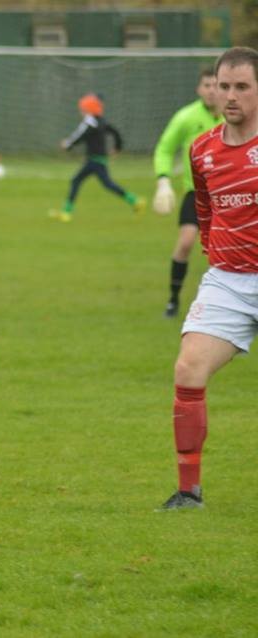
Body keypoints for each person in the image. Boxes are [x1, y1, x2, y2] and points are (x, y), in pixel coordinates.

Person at [160, 46, 258, 510]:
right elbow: (204, 208)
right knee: (188, 369)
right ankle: (188, 492)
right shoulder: (202, 149)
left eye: (242, 87)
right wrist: (215, 253)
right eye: (224, 86)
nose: (231, 96)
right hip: (228, 280)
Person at [152, 70, 223, 318]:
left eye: (216, 85)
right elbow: (164, 148)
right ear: (198, 89)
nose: (212, 90)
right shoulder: (186, 117)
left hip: (228, 195)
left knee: (230, 250)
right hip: (197, 194)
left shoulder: (235, 116)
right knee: (185, 243)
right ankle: (173, 299)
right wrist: (163, 181)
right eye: (207, 85)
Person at [49, 93, 146, 222]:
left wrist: (67, 145)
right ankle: (135, 201)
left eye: (83, 109)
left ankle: (66, 213)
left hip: (94, 160)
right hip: (98, 160)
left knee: (78, 181)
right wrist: (118, 147)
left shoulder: (90, 122)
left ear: (89, 109)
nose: (81, 112)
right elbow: (115, 132)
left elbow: (80, 135)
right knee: (106, 184)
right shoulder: (101, 121)